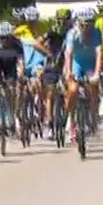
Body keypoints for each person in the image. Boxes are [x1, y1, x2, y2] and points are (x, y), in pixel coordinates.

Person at [63, 7, 103, 143]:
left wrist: (97, 72)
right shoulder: (72, 33)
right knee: (73, 90)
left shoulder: (97, 33)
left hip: (91, 64)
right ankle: (71, 118)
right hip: (77, 64)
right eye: (84, 25)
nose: (87, 28)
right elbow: (68, 54)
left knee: (93, 86)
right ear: (79, 23)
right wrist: (68, 72)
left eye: (90, 24)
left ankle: (92, 116)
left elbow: (99, 54)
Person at [0, 21, 24, 134]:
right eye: (2, 38)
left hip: (11, 69)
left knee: (12, 90)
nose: (4, 40)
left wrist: (21, 73)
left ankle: (13, 114)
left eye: (7, 37)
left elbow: (20, 62)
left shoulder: (17, 45)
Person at [40, 8, 72, 138]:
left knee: (69, 91)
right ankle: (49, 122)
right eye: (61, 20)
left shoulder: (73, 32)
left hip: (67, 63)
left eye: (65, 20)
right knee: (50, 94)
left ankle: (70, 120)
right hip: (54, 63)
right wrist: (48, 53)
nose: (62, 23)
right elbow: (37, 43)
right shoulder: (52, 31)